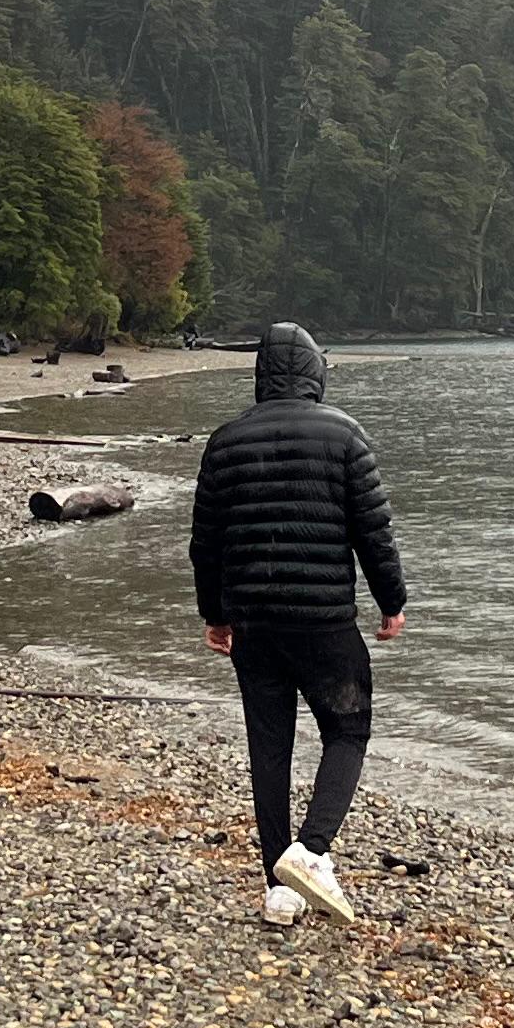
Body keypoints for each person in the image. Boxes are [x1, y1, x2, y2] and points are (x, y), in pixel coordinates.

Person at [189, 321, 411, 927]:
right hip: (324, 625)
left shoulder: (225, 441)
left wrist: (217, 614)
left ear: (262, 377)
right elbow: (373, 531)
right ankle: (310, 853)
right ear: (315, 373)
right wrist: (392, 601)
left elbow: (205, 543)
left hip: (255, 626)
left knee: (270, 748)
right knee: (348, 731)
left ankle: (278, 890)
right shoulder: (344, 435)